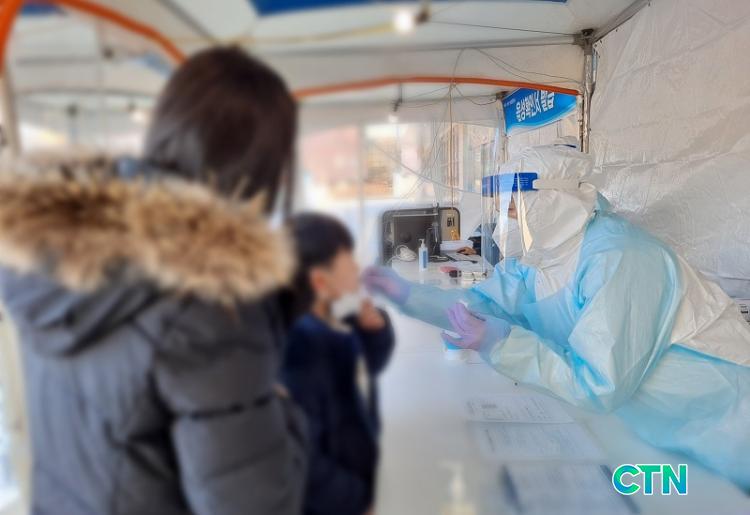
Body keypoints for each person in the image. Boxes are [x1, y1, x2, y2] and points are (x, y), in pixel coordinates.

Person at [0, 47, 307, 514]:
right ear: (265, 167)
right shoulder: (208, 297)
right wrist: (290, 419)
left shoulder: (54, 257)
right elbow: (252, 503)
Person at [364, 142, 750, 489]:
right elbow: (482, 304)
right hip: (660, 428)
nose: (508, 222)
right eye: (505, 209)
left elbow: (600, 384)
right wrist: (410, 295)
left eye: (515, 208)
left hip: (726, 428)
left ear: (551, 201)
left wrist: (504, 345)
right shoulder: (544, 260)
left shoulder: (618, 258)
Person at [282, 213, 394, 515]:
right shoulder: (301, 351)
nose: (357, 268)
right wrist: (358, 500)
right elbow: (307, 465)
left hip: (357, 472)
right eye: (349, 262)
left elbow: (368, 366)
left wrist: (373, 331)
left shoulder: (334, 320)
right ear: (321, 281)